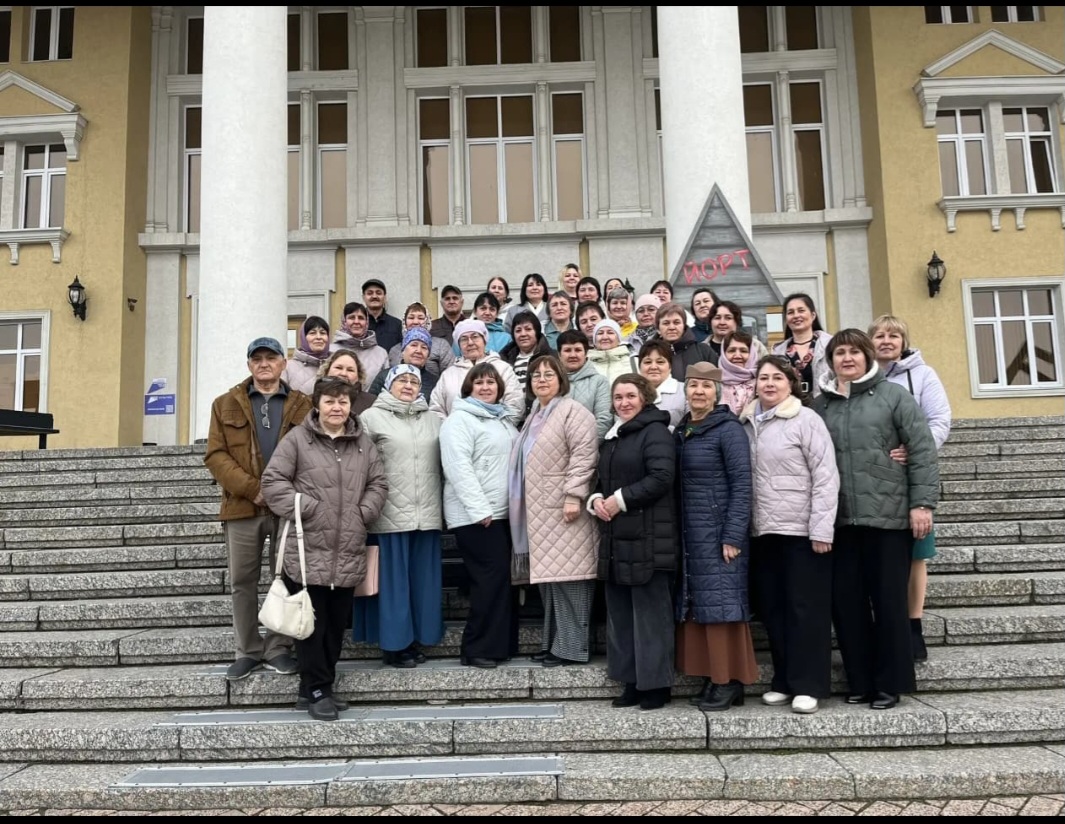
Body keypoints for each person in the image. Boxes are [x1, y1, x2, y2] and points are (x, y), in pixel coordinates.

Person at [814, 329, 939, 710]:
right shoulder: (821, 406)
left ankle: (890, 682)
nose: (846, 359)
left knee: (888, 603)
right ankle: (861, 680)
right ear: (831, 360)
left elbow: (921, 449)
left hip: (887, 519)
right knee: (847, 606)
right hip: (841, 521)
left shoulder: (893, 396)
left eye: (854, 352)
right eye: (839, 353)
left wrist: (922, 504)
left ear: (868, 357)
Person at [260, 377, 388, 720]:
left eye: (343, 402)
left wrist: (365, 512)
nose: (337, 408)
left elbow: (378, 482)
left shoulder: (363, 443)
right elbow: (273, 482)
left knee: (334, 624)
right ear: (318, 404)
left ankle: (314, 687)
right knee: (310, 624)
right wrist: (306, 507)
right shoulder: (298, 440)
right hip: (308, 548)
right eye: (330, 401)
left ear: (350, 406)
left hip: (347, 548)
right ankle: (318, 689)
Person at [204, 337, 312, 681]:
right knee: (242, 580)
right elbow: (216, 456)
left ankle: (279, 648)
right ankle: (247, 650)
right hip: (241, 506)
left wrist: (280, 493)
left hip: (285, 508)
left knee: (288, 576)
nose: (264, 364)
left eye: (271, 358)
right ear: (249, 364)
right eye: (257, 359)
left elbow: (311, 456)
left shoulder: (303, 405)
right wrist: (254, 490)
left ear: (284, 363)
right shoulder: (225, 404)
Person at [739, 356, 839, 715]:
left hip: (801, 531)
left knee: (804, 610)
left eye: (776, 378)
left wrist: (821, 528)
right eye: (763, 377)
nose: (769, 384)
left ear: (791, 382)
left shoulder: (806, 419)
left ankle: (808, 683)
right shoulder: (748, 422)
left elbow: (826, 476)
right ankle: (784, 679)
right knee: (774, 609)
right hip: (763, 531)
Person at [589, 374, 677, 711]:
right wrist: (597, 498)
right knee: (622, 615)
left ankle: (655, 686)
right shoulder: (615, 436)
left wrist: (620, 500)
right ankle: (630, 682)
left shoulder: (655, 432)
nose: (624, 402)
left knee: (650, 616)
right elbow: (603, 479)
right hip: (617, 537)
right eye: (618, 397)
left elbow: (661, 477)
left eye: (630, 396)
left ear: (644, 397)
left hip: (650, 537)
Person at [675, 362, 758, 711]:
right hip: (691, 533)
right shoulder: (683, 429)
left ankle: (729, 681)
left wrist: (733, 535)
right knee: (702, 608)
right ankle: (713, 677)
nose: (698, 392)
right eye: (693, 385)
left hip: (719, 533)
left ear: (717, 392)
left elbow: (742, 485)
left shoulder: (728, 430)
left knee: (723, 607)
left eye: (706, 387)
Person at [869, 314, 952, 662]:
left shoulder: (922, 375)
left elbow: (940, 420)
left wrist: (916, 449)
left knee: (917, 555)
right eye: (879, 335)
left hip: (910, 475)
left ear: (904, 341)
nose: (886, 341)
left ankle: (913, 625)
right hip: (872, 479)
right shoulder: (862, 376)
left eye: (893, 335)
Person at [509, 354, 599, 667]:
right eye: (536, 375)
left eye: (549, 374)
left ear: (561, 379)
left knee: (571, 581)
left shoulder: (573, 411)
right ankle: (553, 644)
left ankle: (572, 649)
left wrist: (574, 494)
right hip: (541, 513)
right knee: (551, 583)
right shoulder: (536, 414)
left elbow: (584, 454)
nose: (542, 379)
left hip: (565, 509)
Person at [355, 364, 446, 668]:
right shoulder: (370, 418)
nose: (408, 385)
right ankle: (395, 645)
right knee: (394, 585)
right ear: (389, 385)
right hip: (389, 513)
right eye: (401, 380)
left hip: (428, 512)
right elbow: (361, 466)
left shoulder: (433, 420)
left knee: (423, 583)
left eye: (413, 381)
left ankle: (418, 638)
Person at [440, 362, 521, 668]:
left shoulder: (501, 419)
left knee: (501, 581)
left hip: (502, 514)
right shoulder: (459, 420)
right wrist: (479, 510)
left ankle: (501, 645)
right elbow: (457, 467)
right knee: (488, 582)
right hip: (476, 516)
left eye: (491, 382)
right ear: (468, 388)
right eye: (479, 383)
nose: (486, 387)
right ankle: (476, 649)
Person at [430, 319, 525, 423]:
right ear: (459, 345)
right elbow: (436, 409)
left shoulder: (503, 369)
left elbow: (515, 405)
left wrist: (497, 430)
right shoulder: (448, 375)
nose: (470, 343)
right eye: (464, 339)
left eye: (475, 337)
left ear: (484, 340)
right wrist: (454, 431)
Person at [773, 293, 832, 399]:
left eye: (801, 310)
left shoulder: (830, 345)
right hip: (789, 409)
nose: (796, 315)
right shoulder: (778, 352)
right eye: (790, 312)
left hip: (825, 407)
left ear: (813, 315)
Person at [558, 329, 612, 440]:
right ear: (559, 354)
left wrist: (582, 447)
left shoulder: (599, 382)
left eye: (578, 350)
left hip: (587, 450)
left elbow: (604, 420)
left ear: (586, 353)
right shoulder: (551, 382)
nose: (573, 355)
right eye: (567, 350)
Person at [330, 302, 388, 391]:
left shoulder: (381, 353)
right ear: (344, 321)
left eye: (361, 318)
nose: (356, 322)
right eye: (351, 317)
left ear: (367, 322)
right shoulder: (331, 350)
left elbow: (385, 386)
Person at [370, 328, 439, 401]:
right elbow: (370, 403)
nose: (418, 351)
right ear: (403, 351)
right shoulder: (384, 376)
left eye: (424, 347)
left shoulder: (435, 383)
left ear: (428, 355)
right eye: (414, 345)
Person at [388, 302, 455, 377]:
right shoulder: (395, 350)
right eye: (411, 318)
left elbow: (450, 375)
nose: (416, 322)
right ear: (404, 321)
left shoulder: (441, 345)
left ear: (427, 321)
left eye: (420, 318)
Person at [656, 302, 713, 381]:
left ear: (684, 326)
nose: (672, 327)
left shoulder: (704, 351)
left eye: (676, 322)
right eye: (666, 323)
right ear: (658, 329)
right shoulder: (651, 354)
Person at [637, 339, 687, 429]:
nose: (653, 367)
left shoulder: (685, 391)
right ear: (639, 366)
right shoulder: (630, 393)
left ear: (670, 366)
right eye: (648, 362)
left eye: (660, 362)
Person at [500, 310, 551, 392]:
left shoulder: (551, 356)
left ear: (537, 332)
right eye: (518, 330)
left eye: (528, 329)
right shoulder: (504, 359)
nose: (523, 334)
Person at [317, 349, 377, 416]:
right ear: (326, 371)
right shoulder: (312, 400)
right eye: (338, 368)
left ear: (359, 376)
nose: (344, 373)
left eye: (350, 370)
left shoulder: (373, 403)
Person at [282, 316, 331, 395]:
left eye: (322, 333)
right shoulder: (288, 367)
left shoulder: (335, 365)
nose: (318, 337)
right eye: (312, 333)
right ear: (303, 337)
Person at [718, 331, 759, 416]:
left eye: (743, 351)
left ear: (752, 354)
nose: (737, 356)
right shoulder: (714, 383)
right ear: (723, 353)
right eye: (731, 350)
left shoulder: (761, 382)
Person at [588, 319, 638, 385]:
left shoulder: (634, 362)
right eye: (600, 333)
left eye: (610, 333)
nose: (605, 337)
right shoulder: (586, 366)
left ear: (618, 339)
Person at [362, 278, 404, 353]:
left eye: (378, 293)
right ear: (364, 297)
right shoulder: (358, 324)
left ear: (384, 297)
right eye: (370, 293)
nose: (374, 296)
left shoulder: (397, 325)